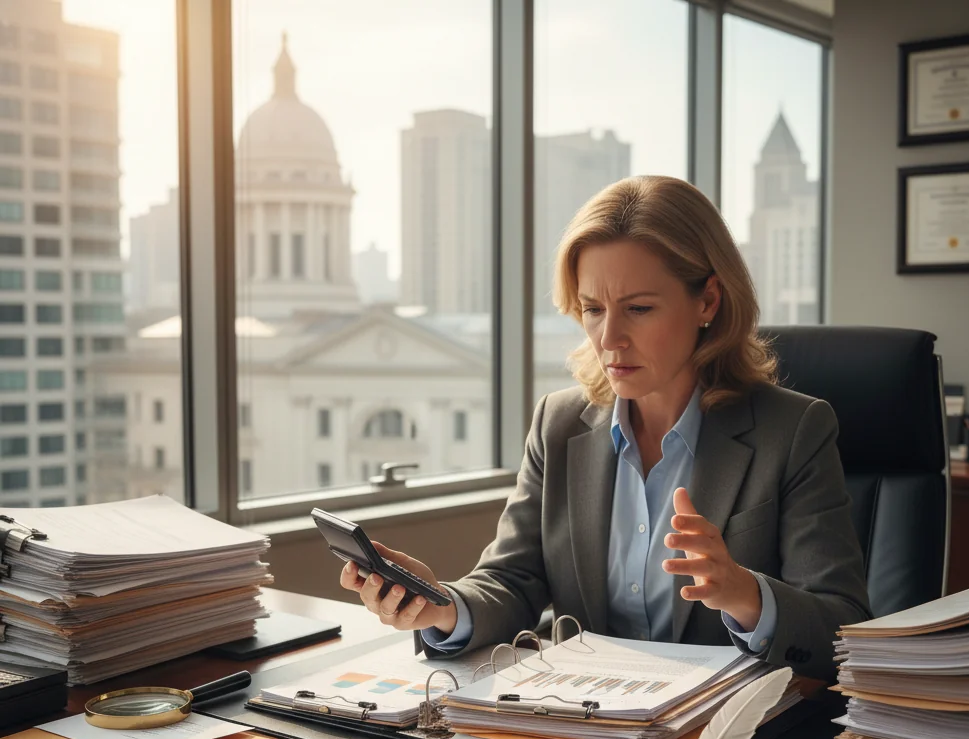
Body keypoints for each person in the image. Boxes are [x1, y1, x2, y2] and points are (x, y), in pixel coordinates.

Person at [340, 175, 870, 681]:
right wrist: (441, 606)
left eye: (638, 308)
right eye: (592, 309)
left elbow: (841, 628)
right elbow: (512, 579)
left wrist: (744, 594)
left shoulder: (792, 431)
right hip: (587, 720)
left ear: (708, 301)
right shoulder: (558, 424)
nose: (609, 338)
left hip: (728, 729)